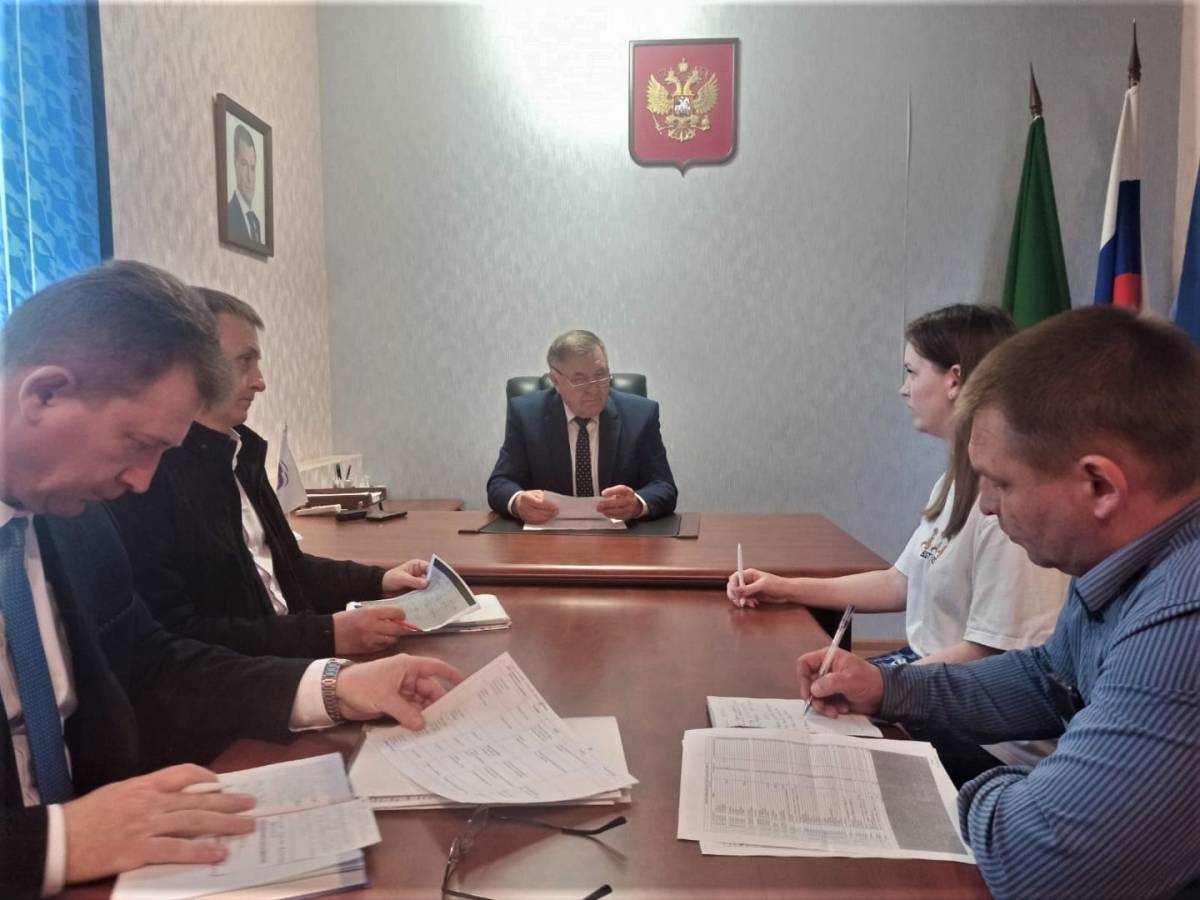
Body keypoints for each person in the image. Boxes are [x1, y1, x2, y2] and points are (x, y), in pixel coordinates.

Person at [0, 261, 463, 897]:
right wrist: (60, 841)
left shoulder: (73, 519)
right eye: (136, 444)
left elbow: (153, 663)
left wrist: (334, 686)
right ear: (45, 395)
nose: (142, 480)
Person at [798, 307, 1200, 899]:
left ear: (1099, 486)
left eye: (1002, 483)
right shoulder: (1115, 559)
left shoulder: (1183, 616)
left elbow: (1039, 862)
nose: (984, 505)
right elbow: (1047, 678)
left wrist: (986, 787)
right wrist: (888, 689)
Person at [727, 304, 1069, 781]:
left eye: (911, 372)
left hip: (990, 743)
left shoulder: (1007, 508)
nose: (903, 389)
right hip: (930, 681)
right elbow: (900, 581)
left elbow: (997, 654)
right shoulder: (954, 483)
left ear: (954, 379)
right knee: (789, 714)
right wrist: (784, 587)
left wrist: (885, 685)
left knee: (814, 753)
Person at [109, 289, 428, 659]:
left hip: (289, 662)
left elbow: (289, 568)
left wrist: (379, 581)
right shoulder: (149, 478)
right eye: (244, 362)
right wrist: (326, 635)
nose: (259, 382)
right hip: (247, 677)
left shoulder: (241, 454)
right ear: (189, 367)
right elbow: (179, 633)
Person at [486, 329, 677, 523]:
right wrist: (518, 502)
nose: (594, 389)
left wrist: (637, 504)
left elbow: (664, 486)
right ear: (556, 381)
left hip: (620, 535)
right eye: (579, 380)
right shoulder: (526, 414)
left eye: (601, 375)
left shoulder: (641, 414)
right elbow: (500, 483)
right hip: (548, 534)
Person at [226, 124, 263, 244]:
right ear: (235, 162)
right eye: (244, 164)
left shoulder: (256, 222)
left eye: (252, 167)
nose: (249, 177)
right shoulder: (228, 214)